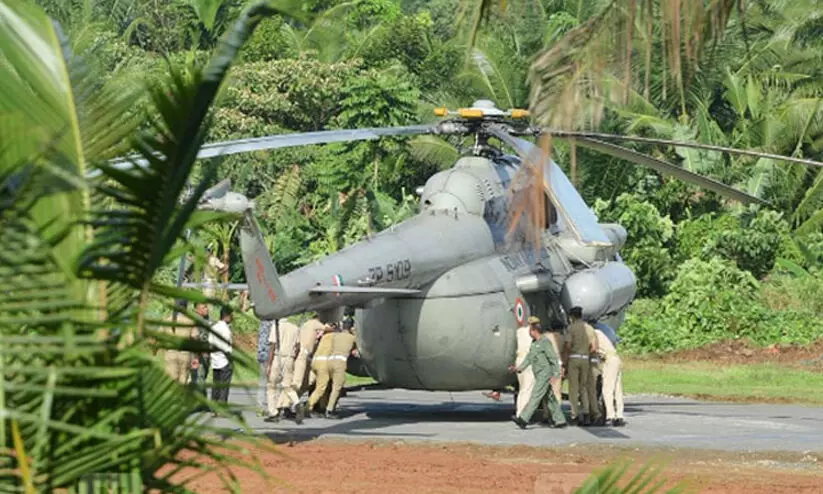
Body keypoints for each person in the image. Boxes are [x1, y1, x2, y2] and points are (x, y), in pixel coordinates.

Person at [509, 317, 566, 429]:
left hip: (544, 374)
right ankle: (560, 420)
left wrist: (556, 373)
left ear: (534, 331)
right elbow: (529, 358)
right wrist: (518, 369)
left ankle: (523, 419)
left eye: (530, 330)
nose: (529, 333)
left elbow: (553, 358)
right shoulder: (534, 343)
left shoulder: (545, 342)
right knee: (550, 398)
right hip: (538, 373)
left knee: (535, 396)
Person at [265, 318, 303, 423]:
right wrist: (293, 358)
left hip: (278, 357)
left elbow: (272, 345)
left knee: (272, 385)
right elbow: (298, 346)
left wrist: (269, 364)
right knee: (287, 385)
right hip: (290, 357)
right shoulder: (295, 327)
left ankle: (273, 412)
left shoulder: (276, 326)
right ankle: (296, 401)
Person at [563, 306, 597, 426]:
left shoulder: (571, 328)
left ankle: (575, 415)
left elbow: (568, 346)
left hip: (574, 358)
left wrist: (565, 361)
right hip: (585, 359)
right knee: (583, 387)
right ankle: (586, 413)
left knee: (573, 388)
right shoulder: (589, 328)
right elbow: (593, 348)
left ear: (572, 316)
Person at [594, 326, 626, 427]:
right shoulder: (600, 333)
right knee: (617, 389)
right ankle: (619, 416)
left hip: (609, 360)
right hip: (615, 358)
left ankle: (610, 416)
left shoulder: (593, 334)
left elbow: (592, 348)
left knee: (607, 390)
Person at [325, 324, 357, 419]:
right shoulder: (352, 337)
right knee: (337, 387)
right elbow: (359, 344)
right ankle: (330, 410)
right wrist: (354, 331)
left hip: (330, 361)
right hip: (340, 362)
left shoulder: (336, 336)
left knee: (329, 385)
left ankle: (325, 405)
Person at [163, 300, 195, 384]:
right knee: (183, 381)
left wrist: (154, 351)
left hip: (171, 353)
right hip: (185, 354)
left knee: (171, 382)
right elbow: (196, 337)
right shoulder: (190, 321)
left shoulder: (167, 320)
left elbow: (155, 337)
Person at [306, 324, 336, 416]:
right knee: (321, 387)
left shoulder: (324, 337)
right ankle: (307, 407)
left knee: (310, 383)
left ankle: (322, 407)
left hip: (315, 361)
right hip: (323, 363)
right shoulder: (335, 337)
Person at [293, 314, 324, 399]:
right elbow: (326, 328)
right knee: (298, 382)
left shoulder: (309, 327)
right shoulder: (314, 323)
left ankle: (293, 401)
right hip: (303, 353)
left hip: (309, 356)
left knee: (309, 381)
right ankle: (285, 405)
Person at [209, 306, 233, 411]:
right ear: (227, 316)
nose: (233, 317)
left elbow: (210, 342)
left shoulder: (214, 327)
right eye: (232, 315)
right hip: (224, 360)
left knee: (216, 385)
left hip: (215, 360)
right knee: (224, 386)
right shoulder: (225, 329)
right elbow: (227, 346)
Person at [256, 319, 274, 415]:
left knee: (262, 381)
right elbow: (272, 343)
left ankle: (260, 406)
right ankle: (269, 406)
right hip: (269, 355)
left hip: (261, 354)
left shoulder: (262, 323)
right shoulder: (273, 324)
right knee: (271, 381)